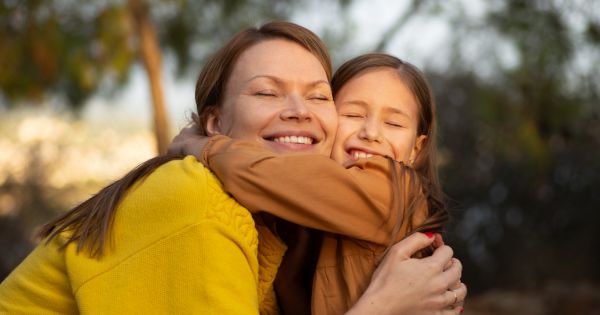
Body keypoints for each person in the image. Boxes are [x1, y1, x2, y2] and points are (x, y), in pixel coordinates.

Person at [0, 21, 463, 314]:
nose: (300, 110)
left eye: (319, 96)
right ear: (216, 121)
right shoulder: (195, 205)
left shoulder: (280, 230)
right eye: (266, 92)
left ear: (418, 147)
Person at [170, 53, 467, 314]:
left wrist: (199, 144)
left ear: (417, 148)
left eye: (394, 123)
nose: (371, 132)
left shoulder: (394, 189)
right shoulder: (304, 217)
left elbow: (264, 174)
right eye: (353, 114)